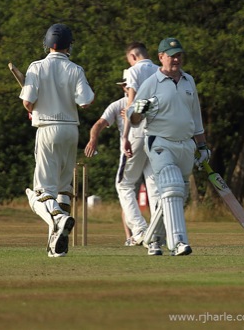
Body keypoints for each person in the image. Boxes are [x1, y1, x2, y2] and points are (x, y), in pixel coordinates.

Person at [126, 37, 210, 256]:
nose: (176, 59)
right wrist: (139, 111)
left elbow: (196, 117)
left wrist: (202, 147)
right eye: (171, 56)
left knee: (175, 195)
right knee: (172, 186)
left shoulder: (188, 81)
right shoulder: (151, 83)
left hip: (185, 145)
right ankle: (178, 243)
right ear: (161, 57)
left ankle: (153, 239)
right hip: (159, 142)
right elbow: (134, 119)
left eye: (179, 55)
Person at [20, 23, 94, 258]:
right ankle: (56, 246)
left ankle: (60, 219)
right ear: (69, 45)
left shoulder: (36, 67)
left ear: (46, 43)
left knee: (39, 194)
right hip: (71, 130)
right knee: (63, 189)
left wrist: (31, 107)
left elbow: (28, 102)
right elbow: (86, 101)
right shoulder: (76, 69)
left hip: (47, 128)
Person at [84, 71, 144, 246]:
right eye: (124, 85)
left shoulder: (146, 102)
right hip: (132, 153)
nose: (126, 88)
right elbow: (99, 124)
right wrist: (93, 139)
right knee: (127, 195)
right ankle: (131, 237)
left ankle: (144, 232)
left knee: (125, 189)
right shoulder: (117, 105)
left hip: (138, 151)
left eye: (127, 85)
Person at [116, 42, 160, 247]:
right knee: (153, 184)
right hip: (158, 133)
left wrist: (125, 136)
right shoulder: (161, 70)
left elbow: (131, 104)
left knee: (124, 184)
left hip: (138, 132)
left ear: (133, 56)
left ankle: (140, 229)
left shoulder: (133, 71)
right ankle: (159, 233)